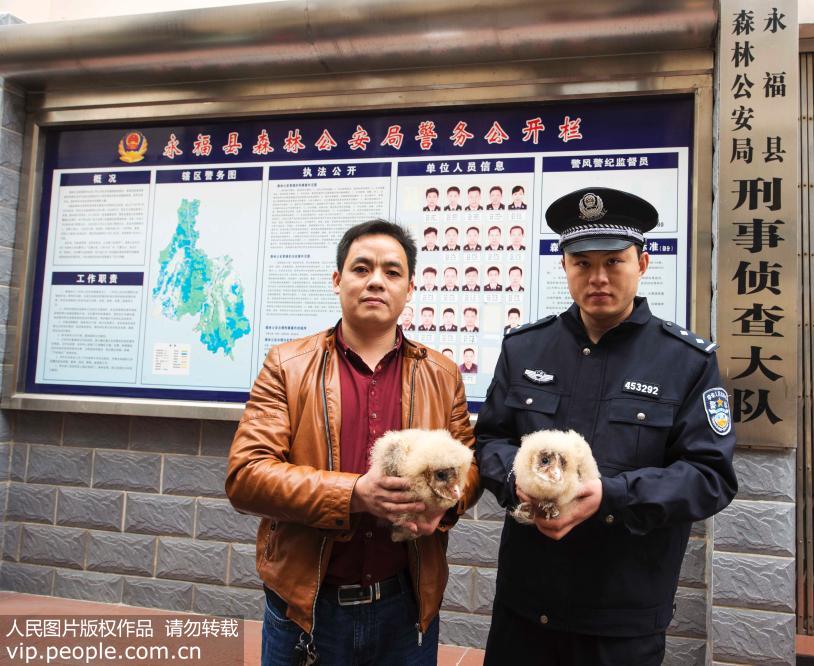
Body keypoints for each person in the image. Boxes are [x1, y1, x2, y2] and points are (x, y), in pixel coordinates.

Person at [474, 188, 737, 666]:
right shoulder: (525, 350)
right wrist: (515, 483)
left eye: (614, 261)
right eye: (582, 262)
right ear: (564, 267)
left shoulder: (686, 362)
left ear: (643, 263)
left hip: (623, 615)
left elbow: (710, 476)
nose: (597, 277)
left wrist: (613, 495)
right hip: (525, 606)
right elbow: (490, 439)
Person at [227, 219, 480, 666]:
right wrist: (354, 494)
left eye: (392, 271)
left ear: (409, 288)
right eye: (361, 268)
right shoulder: (287, 365)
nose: (376, 281)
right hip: (307, 608)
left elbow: (470, 467)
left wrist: (445, 503)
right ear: (337, 280)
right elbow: (246, 475)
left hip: (407, 607)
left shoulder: (442, 374)